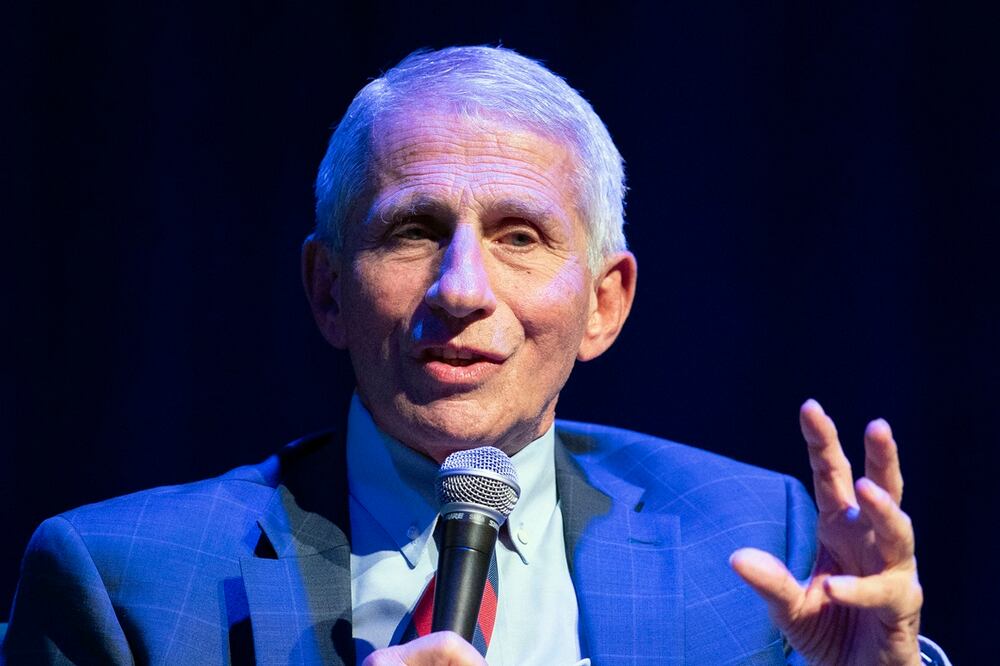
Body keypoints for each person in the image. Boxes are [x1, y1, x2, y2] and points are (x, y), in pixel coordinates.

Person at [1, 46, 946, 665]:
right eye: (412, 230)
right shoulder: (123, 583)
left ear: (604, 305)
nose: (460, 289)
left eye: (520, 237)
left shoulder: (755, 540)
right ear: (327, 290)